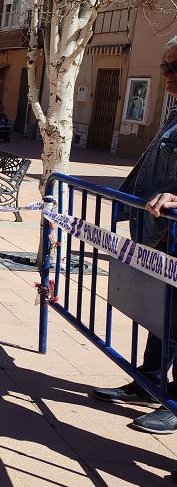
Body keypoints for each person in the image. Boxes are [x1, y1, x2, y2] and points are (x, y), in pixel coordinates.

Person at [92, 36, 177, 434]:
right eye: (164, 66)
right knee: (163, 316)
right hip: (162, 234)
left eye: (173, 68)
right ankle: (150, 384)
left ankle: (173, 402)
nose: (166, 74)